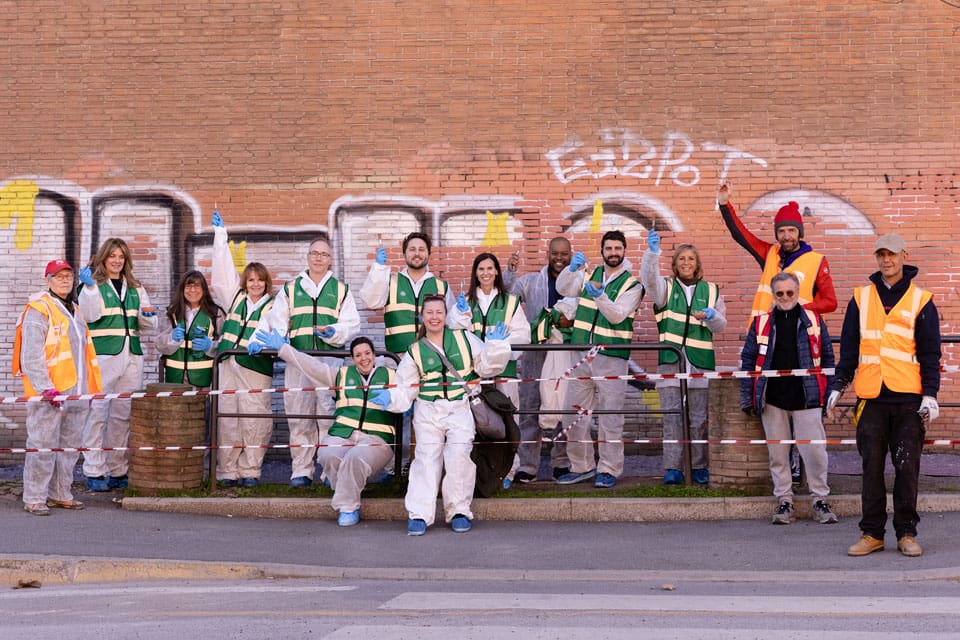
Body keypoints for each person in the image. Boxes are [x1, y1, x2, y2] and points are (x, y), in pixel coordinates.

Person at [827, 233, 941, 558]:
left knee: (907, 469)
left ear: (903, 255)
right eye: (881, 255)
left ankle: (906, 533)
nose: (886, 260)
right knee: (871, 468)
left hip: (908, 400)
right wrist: (839, 383)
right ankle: (872, 533)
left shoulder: (921, 300)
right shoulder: (861, 298)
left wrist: (930, 395)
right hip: (871, 399)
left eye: (891, 254)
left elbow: (930, 353)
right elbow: (849, 348)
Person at [371, 295, 511, 535]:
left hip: (459, 407)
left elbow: (487, 367)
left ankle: (459, 510)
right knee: (425, 460)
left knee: (459, 457)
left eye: (439, 312)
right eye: (429, 313)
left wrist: (495, 347)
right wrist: (392, 398)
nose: (434, 317)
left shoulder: (464, 338)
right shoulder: (414, 351)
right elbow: (406, 386)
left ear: (445, 316)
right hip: (428, 410)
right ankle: (419, 514)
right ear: (421, 317)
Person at [248, 234, 360, 487]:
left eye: (324, 254)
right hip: (297, 360)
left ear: (330, 260)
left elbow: (352, 324)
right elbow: (276, 319)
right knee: (299, 416)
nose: (319, 258)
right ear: (308, 257)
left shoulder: (341, 290)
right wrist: (267, 340)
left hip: (329, 362)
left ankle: (330, 471)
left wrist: (336, 332)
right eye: (314, 253)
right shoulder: (291, 288)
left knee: (328, 416)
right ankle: (301, 471)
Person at [256, 331, 398, 526]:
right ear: (352, 359)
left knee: (355, 457)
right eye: (358, 355)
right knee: (327, 453)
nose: (363, 358)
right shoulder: (340, 376)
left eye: (367, 353)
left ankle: (348, 507)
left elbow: (408, 393)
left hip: (377, 439)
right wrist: (283, 349)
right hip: (343, 434)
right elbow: (311, 366)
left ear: (374, 355)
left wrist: (398, 399)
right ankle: (347, 486)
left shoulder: (391, 376)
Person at [740, 272, 838, 526]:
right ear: (773, 295)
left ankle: (820, 500)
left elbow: (828, 359)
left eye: (790, 293)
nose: (785, 297)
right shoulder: (761, 323)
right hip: (772, 399)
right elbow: (748, 362)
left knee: (815, 453)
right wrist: (747, 398)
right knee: (778, 455)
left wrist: (829, 395)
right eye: (780, 293)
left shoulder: (814, 320)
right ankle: (785, 501)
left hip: (808, 397)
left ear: (797, 293)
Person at [555, 230, 644, 489]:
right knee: (573, 413)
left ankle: (609, 469)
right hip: (582, 352)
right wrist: (571, 270)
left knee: (610, 417)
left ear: (624, 251)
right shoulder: (590, 274)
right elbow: (563, 288)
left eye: (618, 248)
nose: (613, 253)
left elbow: (617, 316)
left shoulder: (633, 285)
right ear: (602, 251)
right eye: (609, 248)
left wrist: (599, 295)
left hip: (612, 356)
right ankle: (581, 467)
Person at [13, 260, 103, 515]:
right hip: (50, 393)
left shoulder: (74, 309)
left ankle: (61, 494)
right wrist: (45, 388)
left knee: (69, 448)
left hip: (77, 391)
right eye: (58, 276)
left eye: (68, 276)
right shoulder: (38, 309)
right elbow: (31, 355)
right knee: (42, 446)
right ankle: (34, 497)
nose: (65, 280)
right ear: (47, 280)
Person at [640, 230, 727, 486]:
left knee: (699, 419)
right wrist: (651, 254)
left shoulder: (711, 290)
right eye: (681, 259)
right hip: (671, 362)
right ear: (675, 264)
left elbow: (720, 326)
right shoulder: (665, 288)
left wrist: (713, 316)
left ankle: (699, 466)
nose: (686, 263)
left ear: (697, 264)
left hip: (700, 363)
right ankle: (673, 468)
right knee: (672, 419)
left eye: (691, 259)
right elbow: (649, 281)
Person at [78, 238, 158, 492]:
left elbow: (149, 325)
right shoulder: (92, 285)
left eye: (121, 257)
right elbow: (89, 316)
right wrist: (89, 289)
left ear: (126, 261)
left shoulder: (135, 287)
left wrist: (148, 318)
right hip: (103, 356)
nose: (116, 260)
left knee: (123, 415)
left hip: (131, 355)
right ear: (103, 258)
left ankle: (117, 469)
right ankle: (94, 470)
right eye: (112, 255)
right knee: (97, 413)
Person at [209, 211, 276, 488]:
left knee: (254, 418)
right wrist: (220, 237)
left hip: (255, 367)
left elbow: (280, 331)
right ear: (245, 282)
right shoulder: (234, 297)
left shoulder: (275, 305)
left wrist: (267, 343)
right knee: (227, 418)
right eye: (251, 280)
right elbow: (222, 274)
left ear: (266, 282)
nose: (255, 284)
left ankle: (251, 470)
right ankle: (227, 471)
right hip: (228, 364)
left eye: (260, 280)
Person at [503, 237, 575, 482]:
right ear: (548, 254)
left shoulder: (578, 283)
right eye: (555, 253)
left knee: (561, 406)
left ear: (571, 254)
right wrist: (511, 273)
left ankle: (561, 462)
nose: (559, 258)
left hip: (565, 353)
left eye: (564, 254)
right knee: (530, 407)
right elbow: (507, 296)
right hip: (535, 353)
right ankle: (528, 465)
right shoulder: (532, 281)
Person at [717, 183, 837, 321]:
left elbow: (831, 302)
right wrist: (724, 204)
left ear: (800, 233)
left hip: (800, 333)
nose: (786, 236)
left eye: (791, 230)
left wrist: (799, 309)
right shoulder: (769, 254)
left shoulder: (817, 261)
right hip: (767, 332)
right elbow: (741, 235)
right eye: (781, 231)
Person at [449, 252, 530, 406]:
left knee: (508, 418)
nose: (485, 273)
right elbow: (456, 334)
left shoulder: (511, 302)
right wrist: (459, 315)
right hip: (473, 373)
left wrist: (500, 344)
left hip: (504, 372)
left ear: (497, 271)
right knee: (477, 420)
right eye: (481, 269)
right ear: (475, 273)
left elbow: (523, 335)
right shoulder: (466, 302)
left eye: (490, 268)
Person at [359, 231, 456, 354]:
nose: (417, 253)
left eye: (421, 249)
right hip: (397, 357)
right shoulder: (390, 282)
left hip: (432, 357)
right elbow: (371, 302)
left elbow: (452, 322)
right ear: (404, 254)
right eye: (412, 249)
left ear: (428, 254)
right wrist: (378, 270)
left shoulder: (441, 287)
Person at [156, 271, 224, 387]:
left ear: (204, 289)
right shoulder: (172, 312)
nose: (192, 290)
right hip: (175, 379)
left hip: (204, 380)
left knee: (201, 406)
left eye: (197, 285)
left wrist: (210, 345)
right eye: (188, 286)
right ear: (182, 289)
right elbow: (159, 343)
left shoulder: (215, 313)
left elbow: (225, 344)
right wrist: (171, 338)